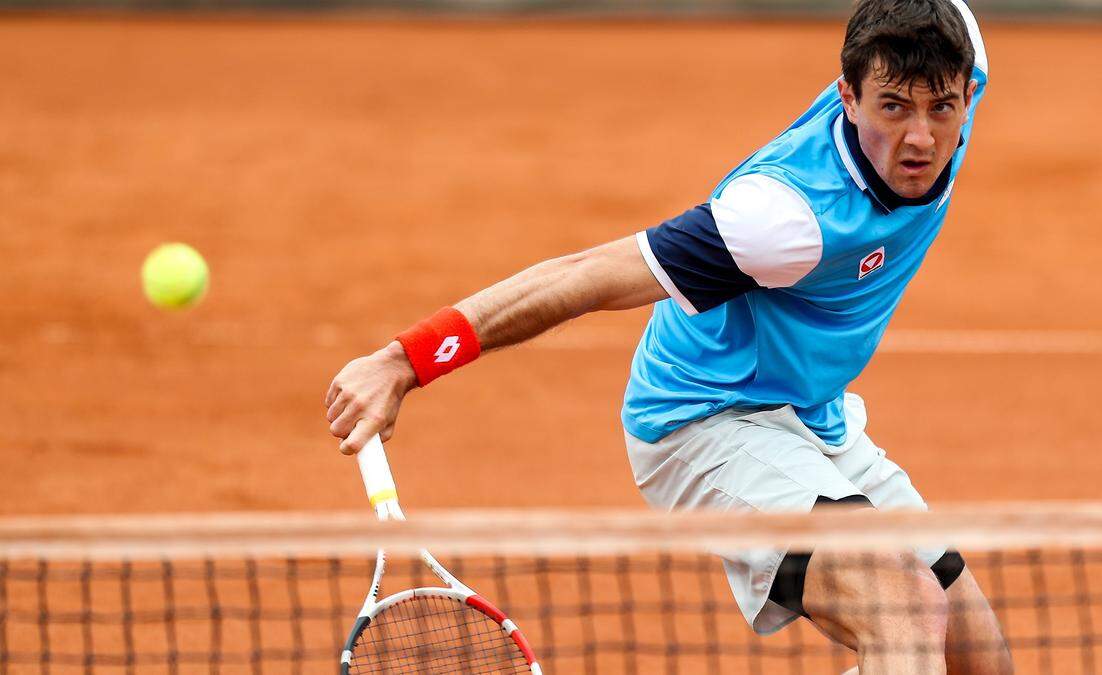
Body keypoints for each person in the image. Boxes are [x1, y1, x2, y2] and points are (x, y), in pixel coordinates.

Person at [324, 0, 1013, 671]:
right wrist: (404, 360)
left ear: (967, 90)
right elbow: (585, 276)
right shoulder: (780, 219)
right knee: (904, 607)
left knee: (978, 653)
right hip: (704, 420)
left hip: (813, 409)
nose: (920, 137)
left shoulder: (958, 60)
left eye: (940, 108)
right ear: (848, 96)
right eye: (892, 106)